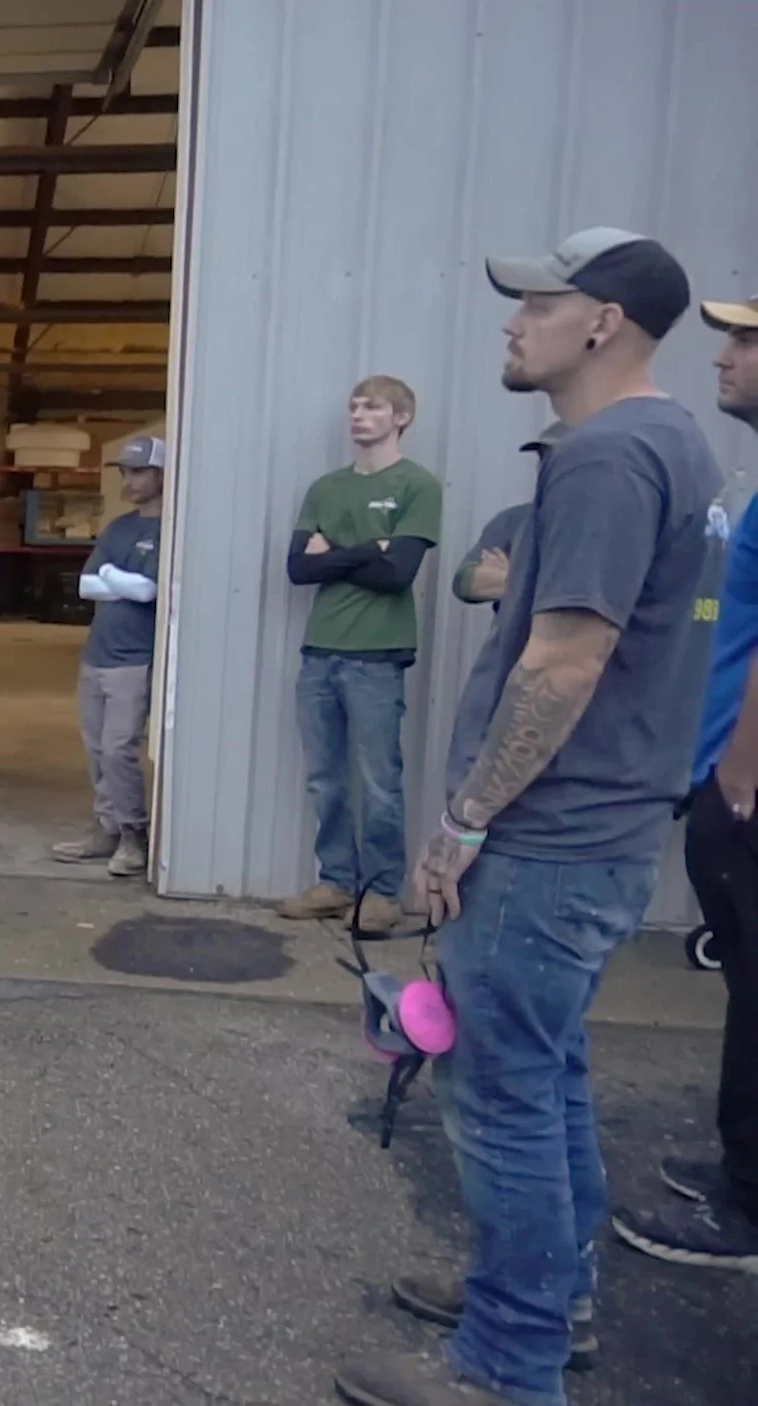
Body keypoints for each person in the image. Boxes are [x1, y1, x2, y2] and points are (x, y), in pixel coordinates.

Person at [337, 229, 716, 1406]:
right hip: (600, 830)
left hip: (550, 837)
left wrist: (462, 821)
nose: (511, 323)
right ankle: (552, 1301)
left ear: (601, 323)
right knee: (543, 1076)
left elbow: (563, 662)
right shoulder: (674, 443)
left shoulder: (610, 456)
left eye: (536, 304)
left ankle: (508, 1363)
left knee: (500, 1093)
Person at [609, 293, 758, 1273]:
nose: (722, 355)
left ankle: (748, 1211)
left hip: (745, 790)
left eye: (746, 340)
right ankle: (741, 1165)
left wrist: (738, 777)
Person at [277, 375, 443, 934]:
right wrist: (369, 549)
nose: (358, 415)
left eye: (372, 407)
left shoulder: (417, 485)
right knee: (325, 778)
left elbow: (398, 574)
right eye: (353, 406)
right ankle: (336, 882)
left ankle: (381, 894)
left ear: (402, 418)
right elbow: (298, 568)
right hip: (320, 651)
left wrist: (334, 554)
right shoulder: (326, 488)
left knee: (377, 781)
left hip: (377, 654)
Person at [52, 435, 165, 876]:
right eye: (125, 472)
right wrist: (123, 581)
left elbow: (148, 591)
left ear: (162, 474)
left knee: (120, 750)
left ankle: (134, 835)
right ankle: (107, 829)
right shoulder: (119, 527)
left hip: (134, 659)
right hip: (97, 655)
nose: (129, 480)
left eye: (138, 472)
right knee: (97, 749)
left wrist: (111, 575)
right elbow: (86, 585)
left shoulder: (168, 530)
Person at [451, 429, 565, 612]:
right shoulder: (513, 520)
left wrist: (513, 576)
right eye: (543, 457)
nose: (546, 466)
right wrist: (525, 582)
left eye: (560, 459)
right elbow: (463, 582)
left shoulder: (603, 524)